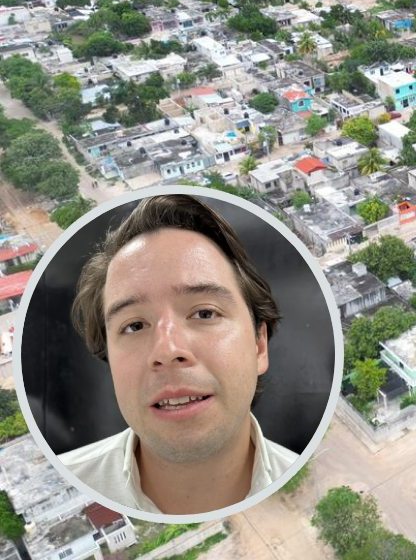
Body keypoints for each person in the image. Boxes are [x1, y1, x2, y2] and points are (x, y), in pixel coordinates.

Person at [60, 194, 298, 515]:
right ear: (110, 362)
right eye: (134, 325)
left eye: (204, 314)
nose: (168, 350)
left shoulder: (302, 479)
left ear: (259, 344)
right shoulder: (69, 486)